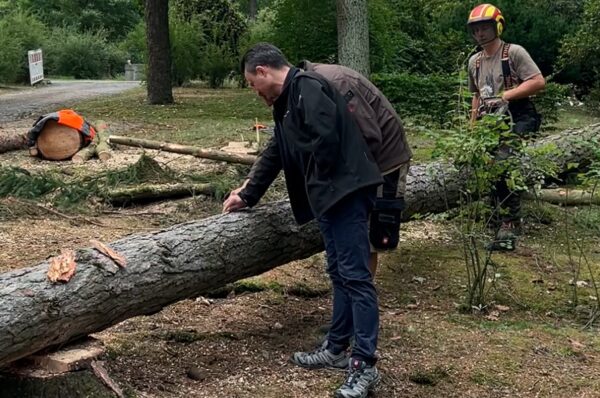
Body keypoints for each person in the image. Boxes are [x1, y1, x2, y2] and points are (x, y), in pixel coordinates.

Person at [223, 43, 382, 398]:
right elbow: (277, 151)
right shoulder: (287, 102)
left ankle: (365, 366)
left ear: (263, 71)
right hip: (327, 198)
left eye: (252, 83)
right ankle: (337, 347)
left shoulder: (308, 87)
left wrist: (316, 183)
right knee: (339, 273)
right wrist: (247, 195)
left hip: (346, 194)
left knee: (356, 277)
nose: (255, 92)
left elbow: (325, 142)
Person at [467, 3, 545, 251]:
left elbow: (537, 81)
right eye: (476, 29)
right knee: (486, 165)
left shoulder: (514, 53)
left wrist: (508, 95)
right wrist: (472, 127)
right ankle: (493, 213)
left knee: (503, 163)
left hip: (519, 115)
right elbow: (477, 95)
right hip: (490, 120)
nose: (480, 34)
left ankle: (510, 225)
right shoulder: (474, 62)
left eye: (485, 28)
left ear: (497, 26)